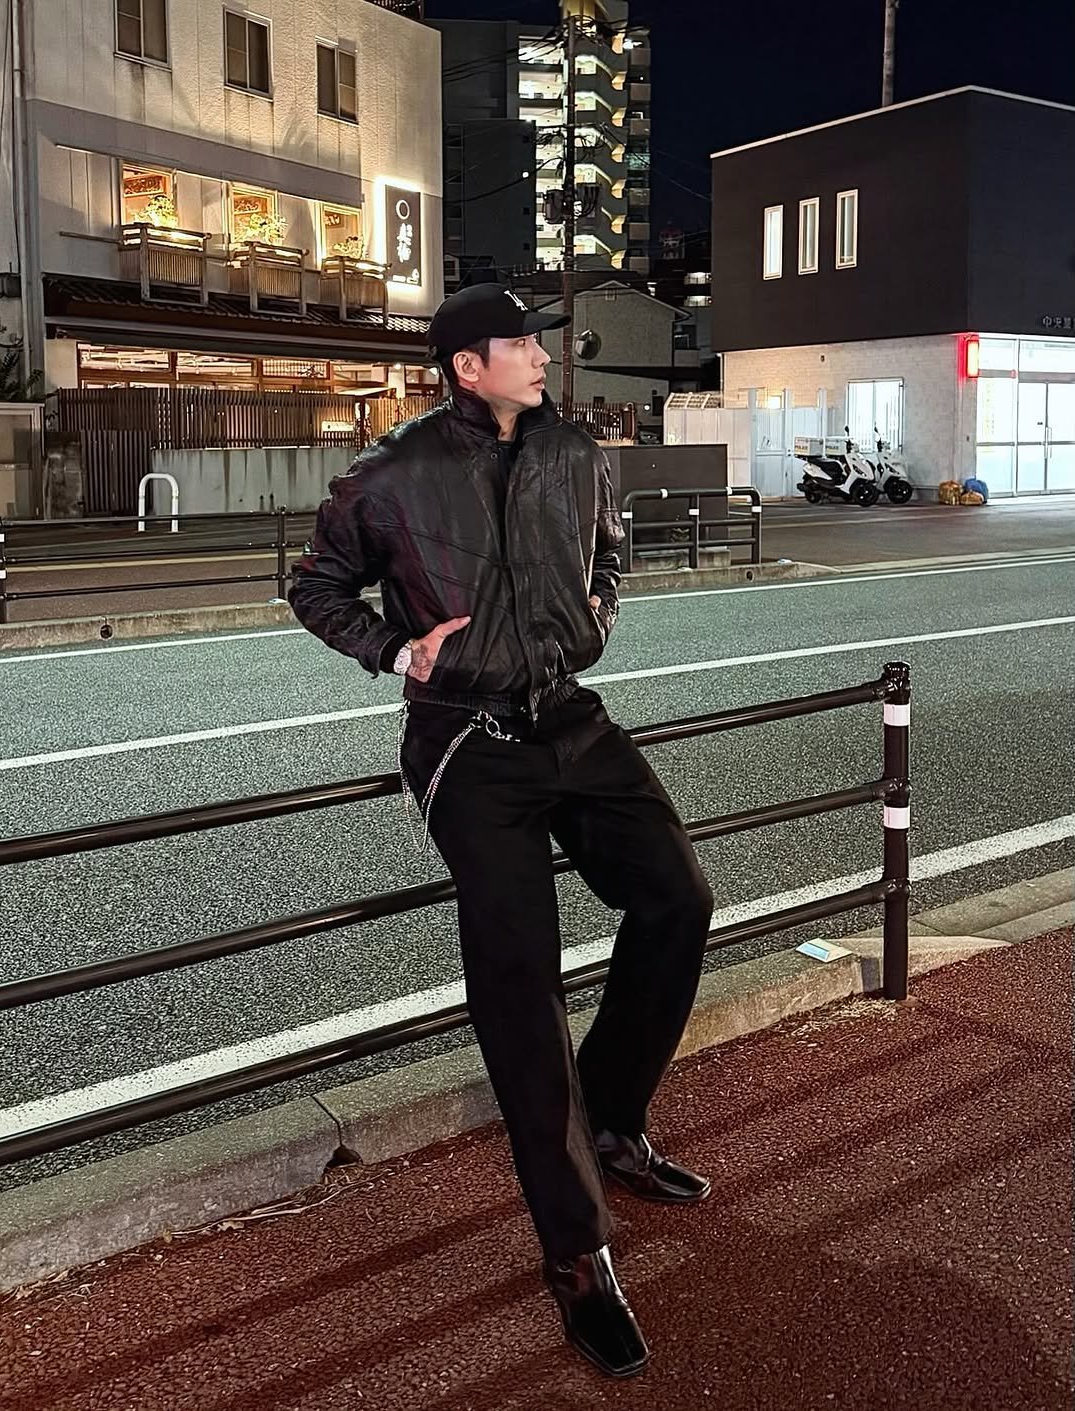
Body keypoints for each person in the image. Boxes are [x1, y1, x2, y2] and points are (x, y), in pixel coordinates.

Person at [288, 282, 714, 1379]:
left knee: (678, 896)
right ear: (466, 366)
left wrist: (593, 617)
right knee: (522, 987)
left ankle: (612, 1119)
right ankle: (577, 1258)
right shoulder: (391, 472)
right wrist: (397, 651)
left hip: (567, 714)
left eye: (538, 339)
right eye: (520, 342)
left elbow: (609, 556)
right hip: (466, 743)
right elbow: (316, 582)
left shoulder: (576, 449)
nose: (541, 354)